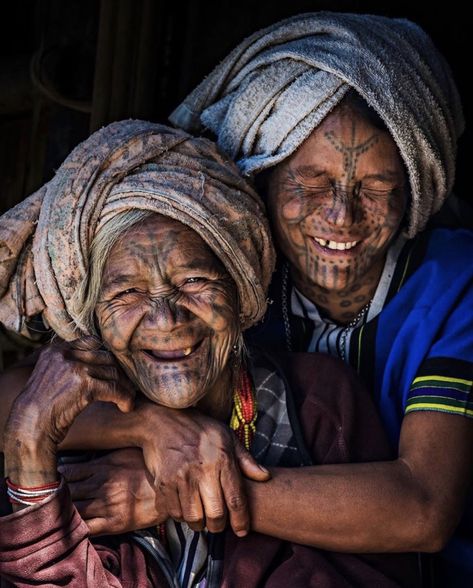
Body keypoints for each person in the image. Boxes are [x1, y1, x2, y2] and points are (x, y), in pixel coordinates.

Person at [0, 120, 419, 587]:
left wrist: (182, 494)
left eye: (194, 282)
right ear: (93, 317)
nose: (166, 319)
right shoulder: (67, 443)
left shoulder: (316, 402)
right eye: (127, 293)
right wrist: (29, 450)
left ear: (240, 292)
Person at [169, 11, 473, 583]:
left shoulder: (458, 283)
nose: (341, 216)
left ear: (413, 191)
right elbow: (24, 391)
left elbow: (425, 510)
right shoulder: (219, 279)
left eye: (376, 187)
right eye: (310, 184)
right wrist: (154, 434)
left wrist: (180, 492)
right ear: (260, 178)